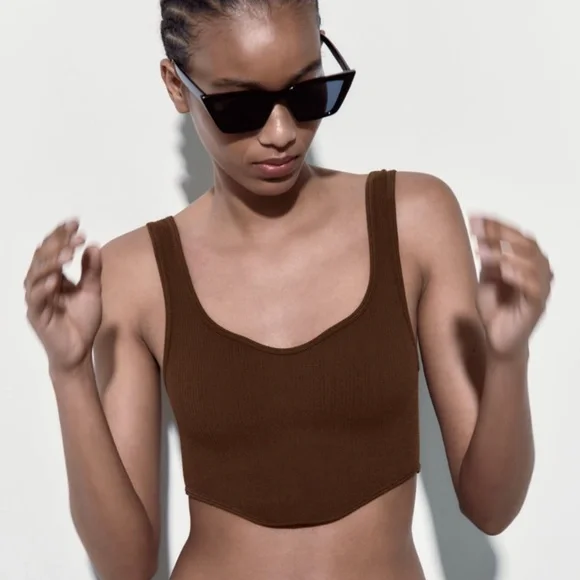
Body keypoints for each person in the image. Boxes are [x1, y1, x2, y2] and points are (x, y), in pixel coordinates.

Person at [23, 1, 553, 579]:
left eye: (305, 92)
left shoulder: (413, 221)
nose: (281, 133)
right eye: (241, 106)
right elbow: (124, 565)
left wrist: (509, 356)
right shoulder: (135, 273)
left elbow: (492, 509)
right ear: (176, 86)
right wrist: (68, 372)